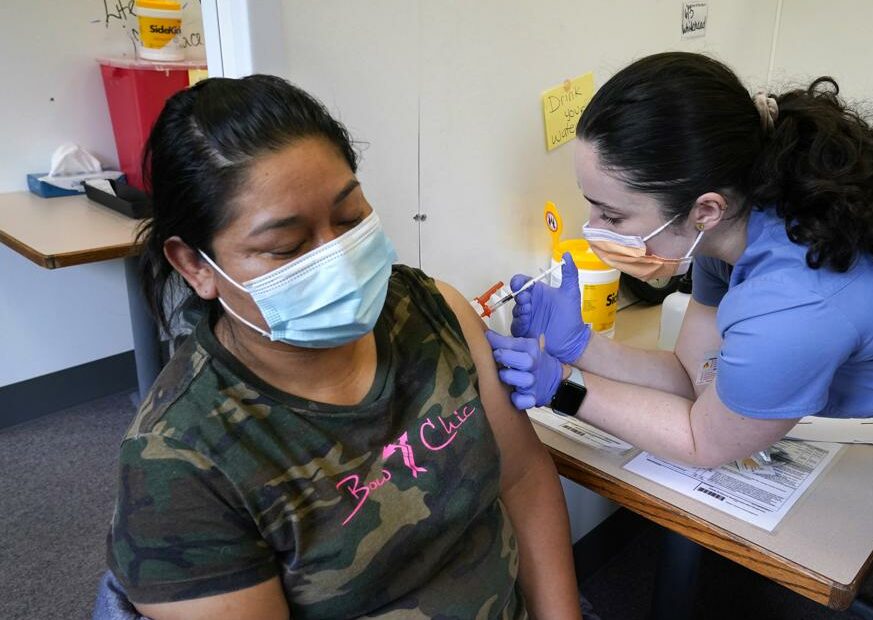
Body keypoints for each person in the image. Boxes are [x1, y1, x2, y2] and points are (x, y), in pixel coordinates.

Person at [487, 52, 873, 619]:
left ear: (705, 208)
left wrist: (563, 387)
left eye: (612, 215)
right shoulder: (736, 223)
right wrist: (581, 346)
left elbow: (704, 440)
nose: (594, 229)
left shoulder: (794, 303)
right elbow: (694, 375)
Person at [103, 74, 580, 620]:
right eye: (286, 247)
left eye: (350, 218)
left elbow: (522, 478)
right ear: (194, 265)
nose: (337, 260)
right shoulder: (183, 462)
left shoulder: (432, 311)